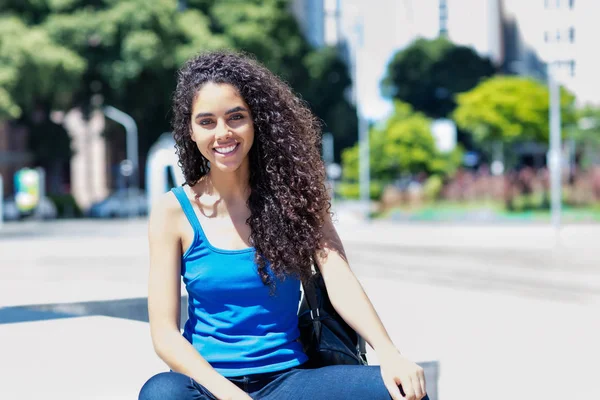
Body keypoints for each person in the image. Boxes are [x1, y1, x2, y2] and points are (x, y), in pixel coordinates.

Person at [139, 50, 428, 400]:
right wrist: (231, 396)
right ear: (190, 130)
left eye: (236, 117)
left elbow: (338, 276)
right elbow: (164, 335)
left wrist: (389, 353)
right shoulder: (173, 211)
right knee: (160, 393)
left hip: (289, 380)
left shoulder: (294, 197)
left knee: (401, 391)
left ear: (256, 121)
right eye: (207, 122)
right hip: (207, 386)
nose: (223, 133)